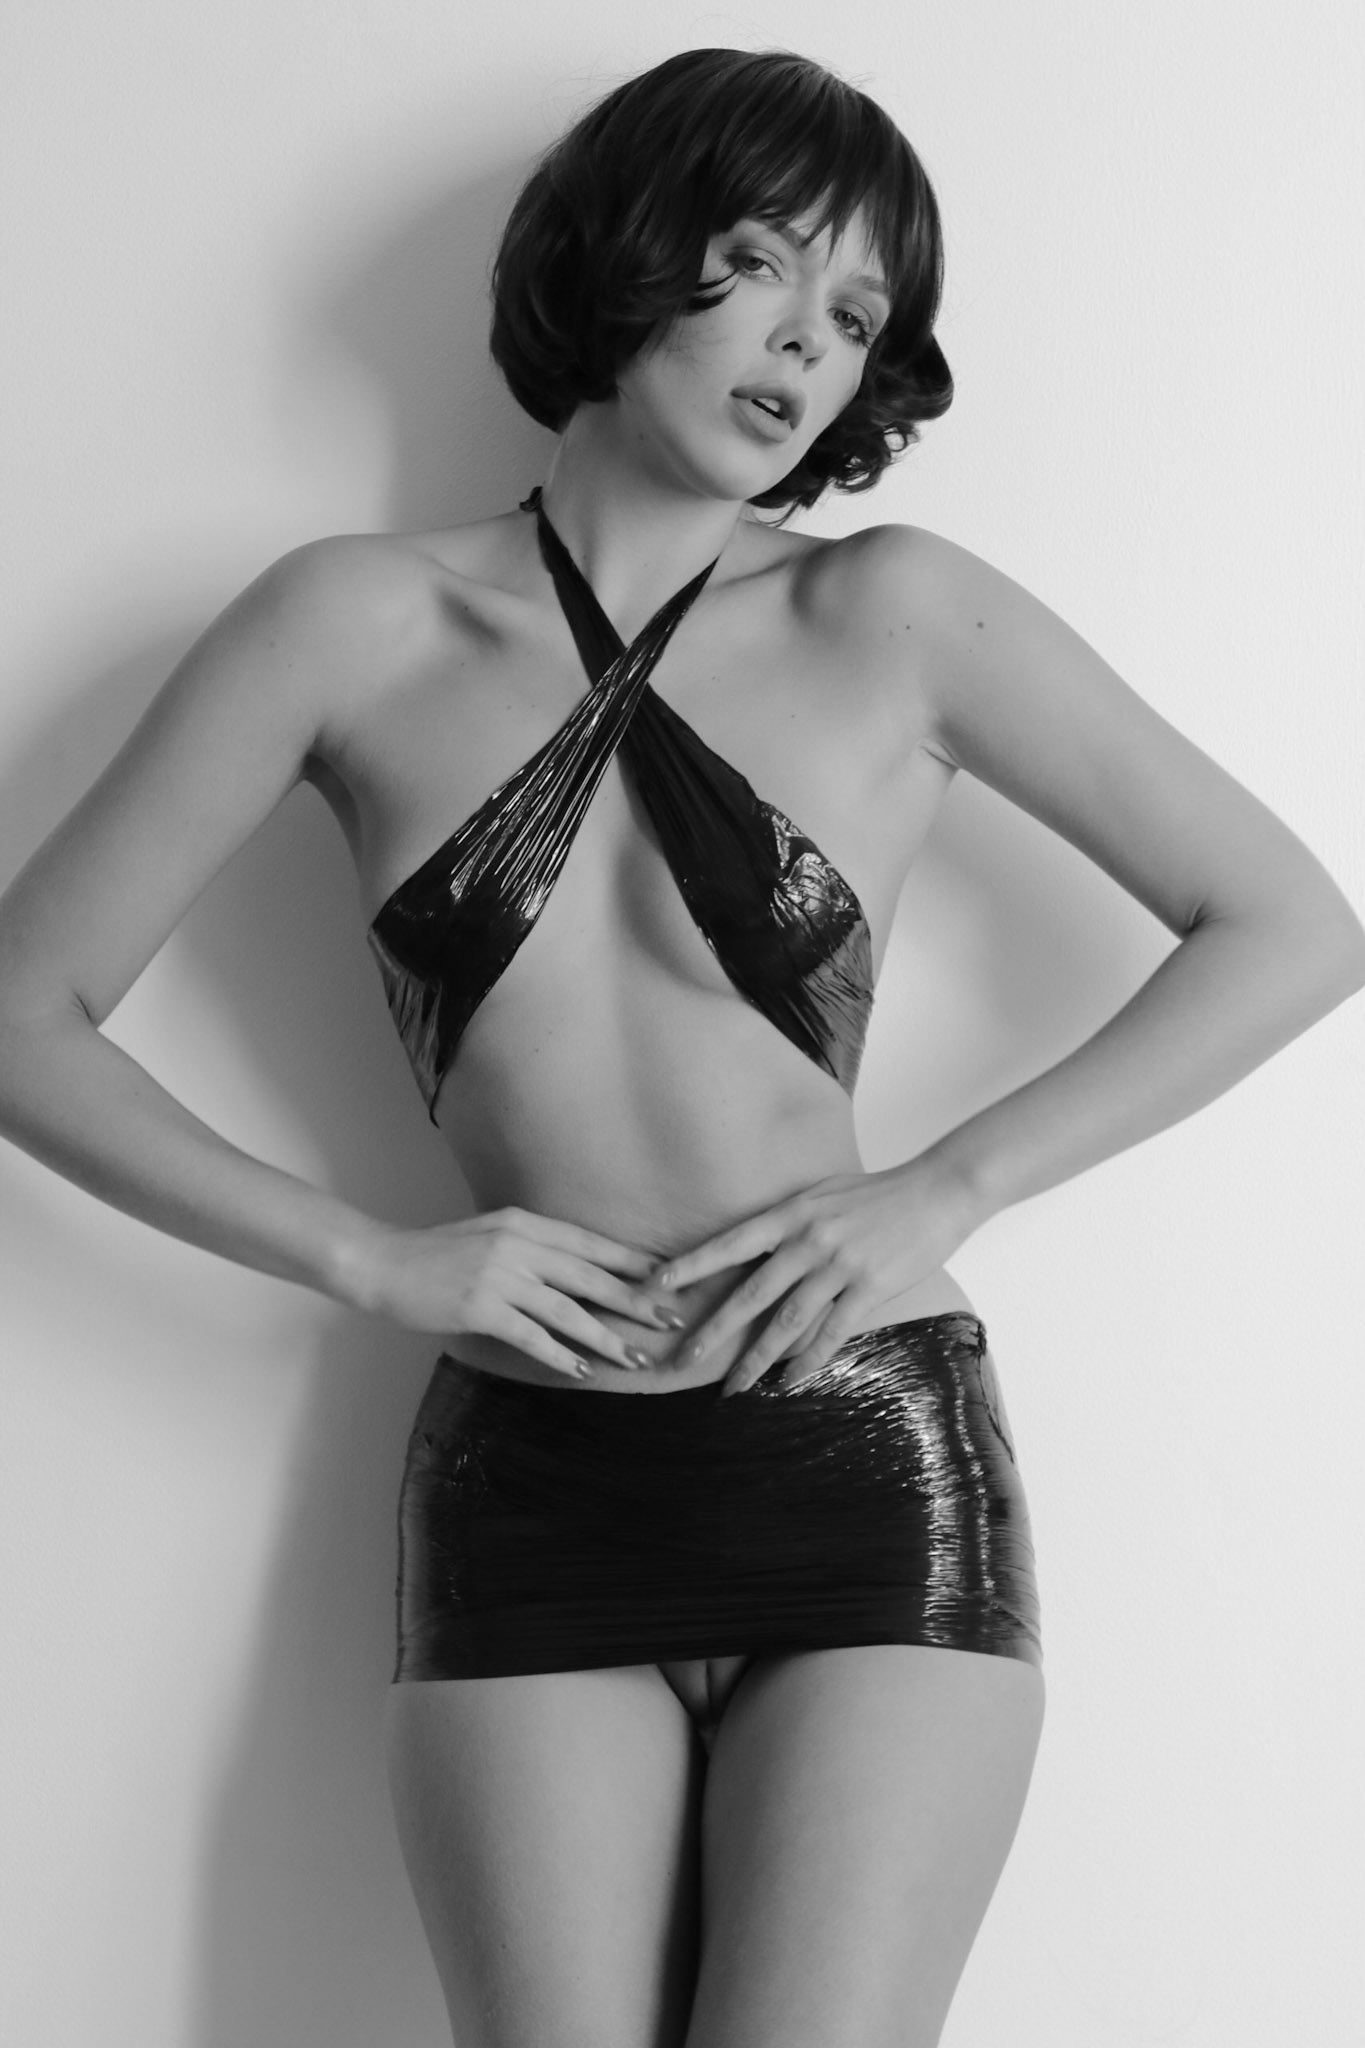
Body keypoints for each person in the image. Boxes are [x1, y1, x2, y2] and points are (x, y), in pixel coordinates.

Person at [0, 43, 1360, 2048]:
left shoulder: (893, 618)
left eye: (856, 316)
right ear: (630, 253)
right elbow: (21, 1013)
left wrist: (946, 1186)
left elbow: (1292, 925)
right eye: (766, 266)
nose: (808, 344)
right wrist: (370, 1257)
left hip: (862, 1443)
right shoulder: (347, 625)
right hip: (532, 1461)